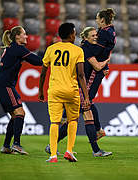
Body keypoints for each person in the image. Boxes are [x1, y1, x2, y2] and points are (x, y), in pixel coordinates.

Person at [44, 27, 112, 157]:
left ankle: (53, 145)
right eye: (92, 35)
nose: (95, 37)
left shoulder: (89, 49)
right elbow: (93, 68)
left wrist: (103, 70)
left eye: (96, 35)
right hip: (80, 89)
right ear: (85, 38)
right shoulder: (84, 50)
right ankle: (96, 149)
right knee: (86, 115)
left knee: (79, 117)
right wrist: (105, 63)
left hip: (82, 89)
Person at [38, 23, 91, 163]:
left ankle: (53, 155)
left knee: (54, 122)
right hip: (71, 91)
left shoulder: (51, 49)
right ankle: (69, 151)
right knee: (73, 120)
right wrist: (86, 96)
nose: (75, 35)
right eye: (74, 33)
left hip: (54, 90)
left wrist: (40, 91)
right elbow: (81, 75)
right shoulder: (78, 51)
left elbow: (43, 73)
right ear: (71, 34)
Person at [0, 26, 43, 155]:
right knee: (20, 113)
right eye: (24, 34)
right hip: (6, 85)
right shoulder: (18, 49)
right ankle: (16, 144)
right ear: (17, 36)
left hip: (3, 85)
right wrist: (49, 57)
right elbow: (37, 61)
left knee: (15, 115)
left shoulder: (12, 48)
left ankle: (6, 146)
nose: (26, 36)